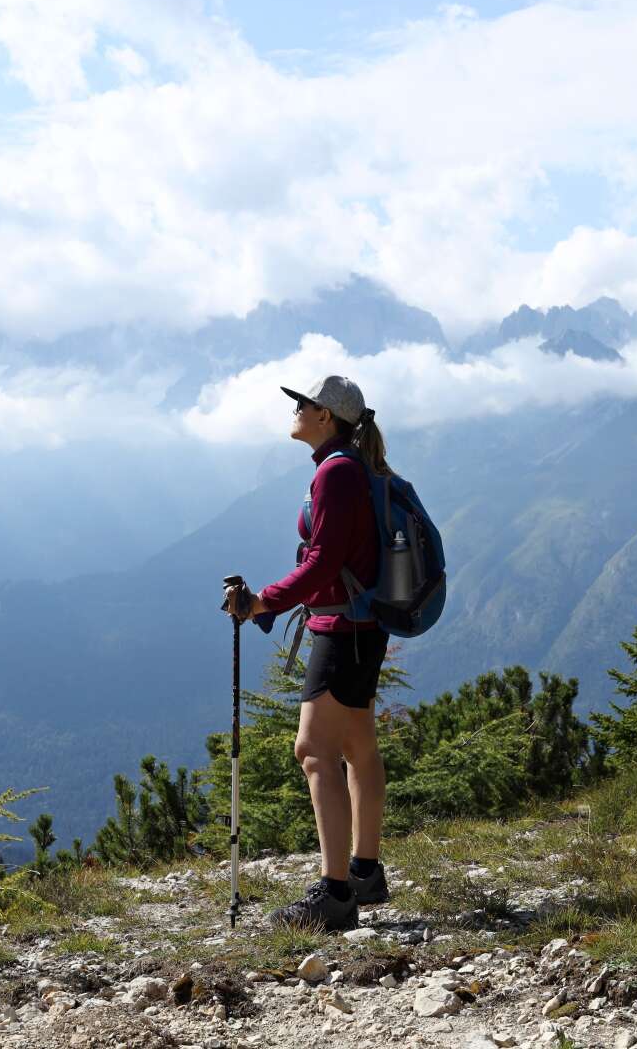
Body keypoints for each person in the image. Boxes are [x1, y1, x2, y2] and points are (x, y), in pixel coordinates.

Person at [223, 374, 392, 932]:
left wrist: (260, 602)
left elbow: (322, 562)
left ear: (327, 417)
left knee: (314, 751)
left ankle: (335, 894)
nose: (295, 409)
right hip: (362, 624)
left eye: (305, 403)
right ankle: (365, 871)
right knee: (357, 745)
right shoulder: (348, 467)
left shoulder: (336, 472)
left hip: (342, 628)